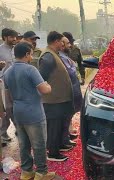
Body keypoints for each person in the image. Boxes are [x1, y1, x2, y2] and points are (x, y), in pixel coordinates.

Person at [4, 42, 55, 180]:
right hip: (34, 112)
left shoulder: (7, 72)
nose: (32, 56)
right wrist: (48, 86)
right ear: (27, 54)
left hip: (18, 111)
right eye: (31, 53)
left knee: (24, 144)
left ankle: (26, 172)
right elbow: (44, 90)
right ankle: (41, 173)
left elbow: (7, 96)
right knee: (39, 144)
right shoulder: (30, 70)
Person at [38, 31, 73, 161]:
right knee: (53, 126)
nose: (63, 44)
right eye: (61, 42)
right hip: (52, 101)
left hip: (59, 99)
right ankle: (52, 153)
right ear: (56, 41)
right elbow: (41, 78)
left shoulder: (54, 54)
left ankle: (57, 147)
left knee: (57, 126)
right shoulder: (48, 57)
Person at [59, 36, 83, 148]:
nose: (70, 45)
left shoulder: (65, 56)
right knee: (64, 117)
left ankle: (66, 136)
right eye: (68, 43)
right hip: (66, 92)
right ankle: (63, 140)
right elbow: (70, 71)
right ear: (61, 44)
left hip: (73, 89)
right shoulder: (59, 57)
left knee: (68, 116)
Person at [0, 28, 18, 143]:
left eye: (15, 37)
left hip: (16, 82)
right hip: (4, 84)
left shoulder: (16, 50)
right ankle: (2, 132)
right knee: (7, 108)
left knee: (16, 107)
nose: (14, 39)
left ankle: (20, 129)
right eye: (12, 37)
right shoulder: (0, 50)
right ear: (5, 37)